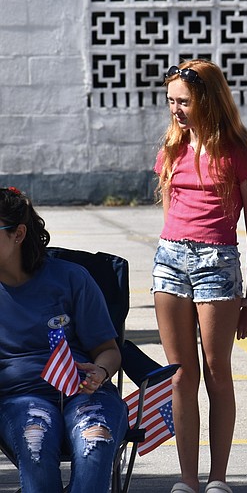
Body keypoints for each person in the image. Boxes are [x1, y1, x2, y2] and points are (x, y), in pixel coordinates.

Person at [153, 59, 247, 493]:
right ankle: (188, 478)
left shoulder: (240, 154)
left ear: (207, 100)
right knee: (180, 374)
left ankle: (218, 477)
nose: (175, 109)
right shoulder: (171, 148)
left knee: (217, 370)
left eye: (182, 101)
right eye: (170, 101)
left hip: (218, 263)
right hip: (170, 261)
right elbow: (170, 215)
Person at [0, 186, 129, 493]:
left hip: (86, 392)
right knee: (36, 442)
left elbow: (108, 351)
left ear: (17, 235)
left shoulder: (71, 278)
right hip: (19, 398)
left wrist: (101, 372)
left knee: (94, 441)